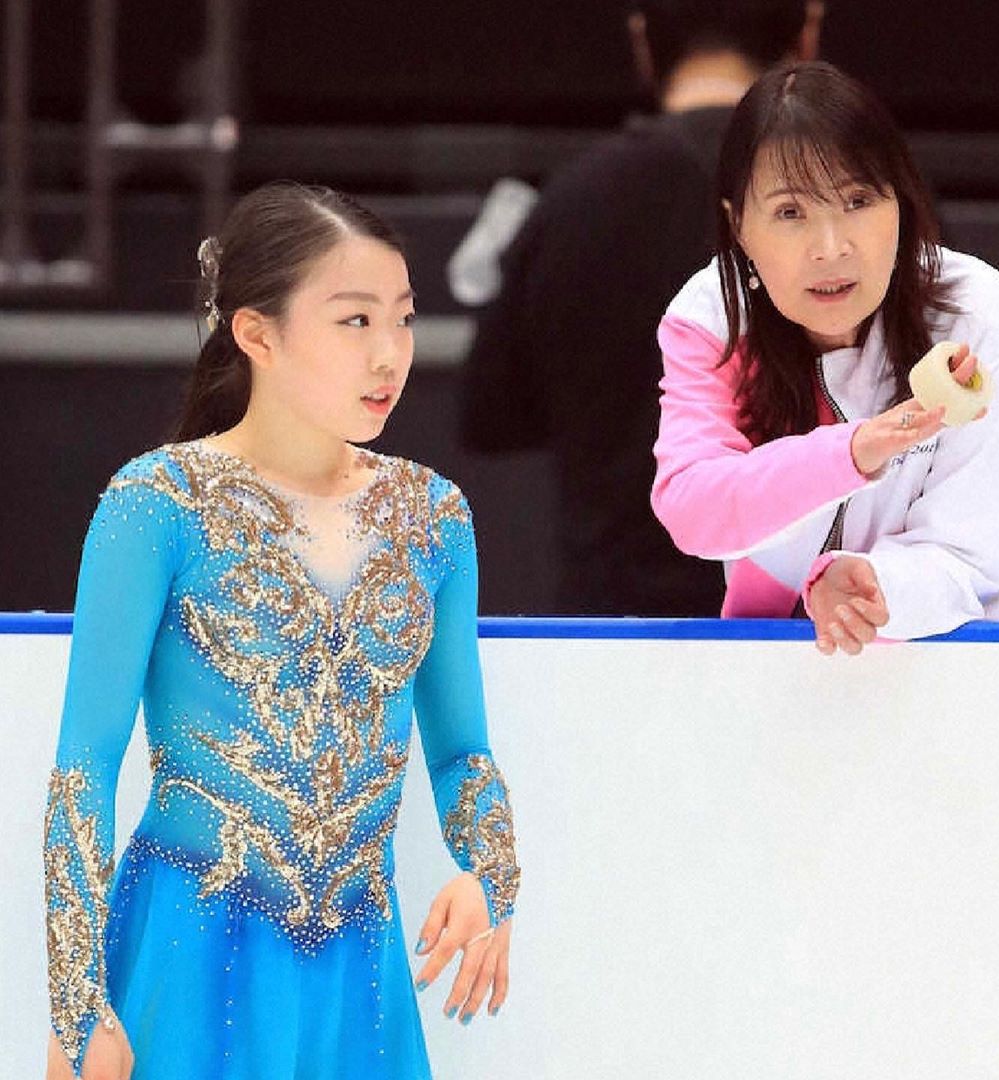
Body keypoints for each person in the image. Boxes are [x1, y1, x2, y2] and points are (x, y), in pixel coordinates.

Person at [43, 182, 520, 1080]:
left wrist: (489, 876)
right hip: (190, 952)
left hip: (357, 968)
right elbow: (84, 769)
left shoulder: (432, 518)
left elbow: (463, 753)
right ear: (257, 334)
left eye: (403, 319)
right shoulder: (159, 504)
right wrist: (78, 1005)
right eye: (354, 321)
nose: (389, 354)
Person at [651, 61, 999, 654]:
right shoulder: (713, 318)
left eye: (857, 200)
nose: (830, 248)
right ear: (737, 224)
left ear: (900, 203)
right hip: (789, 659)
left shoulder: (980, 314)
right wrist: (850, 453)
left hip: (985, 658)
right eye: (790, 212)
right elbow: (693, 507)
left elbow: (969, 553)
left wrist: (868, 586)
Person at [461, 1, 823, 616]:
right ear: (806, 34)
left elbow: (492, 413)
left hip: (618, 622)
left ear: (641, 39)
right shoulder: (865, 196)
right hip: (822, 624)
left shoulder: (574, 199)